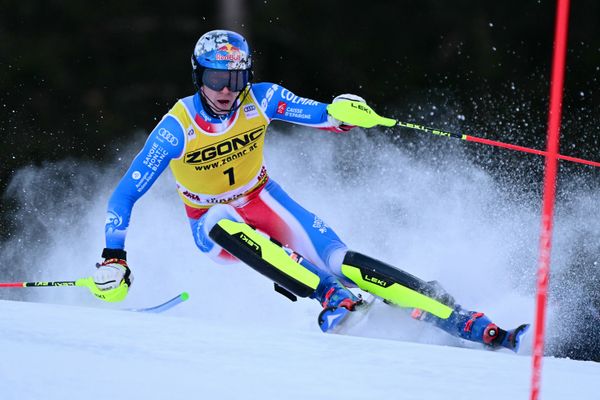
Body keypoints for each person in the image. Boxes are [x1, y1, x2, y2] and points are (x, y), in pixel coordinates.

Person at [92, 29, 528, 351]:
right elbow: (124, 195)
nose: (226, 91)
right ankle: (330, 297)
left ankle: (470, 323)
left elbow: (320, 113)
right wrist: (114, 257)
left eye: (236, 78)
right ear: (197, 76)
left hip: (264, 200)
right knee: (220, 220)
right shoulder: (177, 128)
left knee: (344, 261)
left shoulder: (259, 99)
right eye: (215, 78)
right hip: (211, 223)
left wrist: (345, 114)